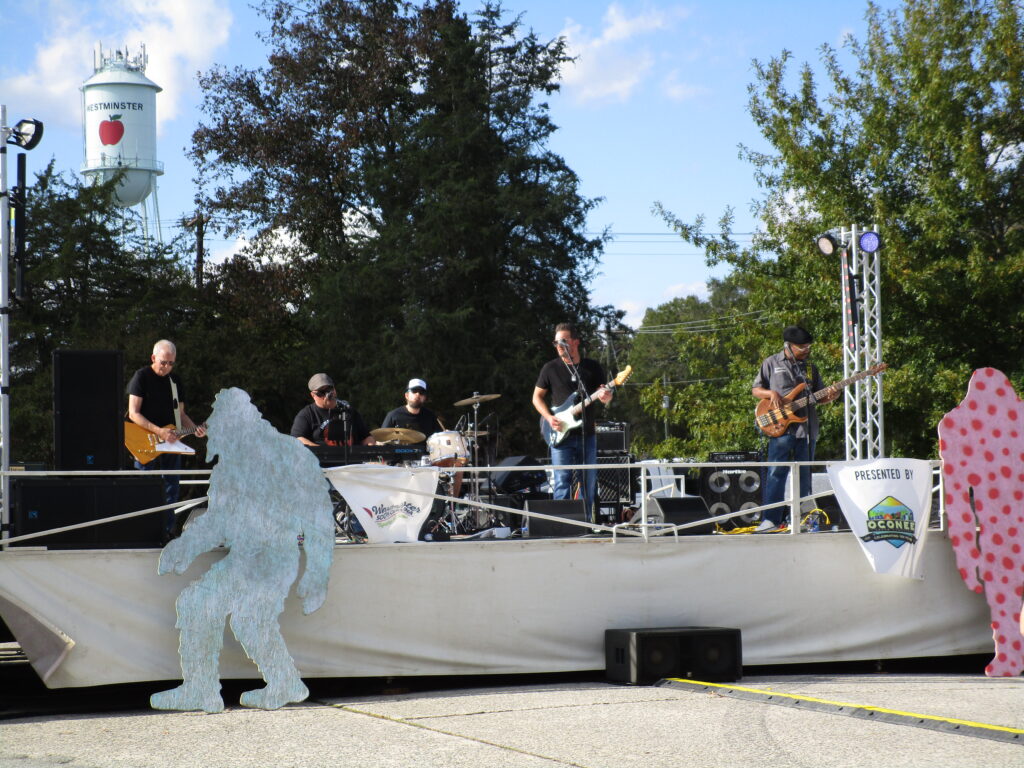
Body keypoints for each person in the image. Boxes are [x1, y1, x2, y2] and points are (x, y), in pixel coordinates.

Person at [751, 326, 838, 532]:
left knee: (804, 475)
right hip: (779, 427)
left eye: (808, 346)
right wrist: (770, 393)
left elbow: (819, 396)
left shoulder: (810, 368)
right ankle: (770, 519)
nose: (806, 350)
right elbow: (756, 389)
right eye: (801, 347)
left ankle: (801, 518)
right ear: (788, 347)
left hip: (806, 429)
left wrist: (832, 395)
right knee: (776, 473)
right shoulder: (771, 363)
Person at [532, 322, 613, 523]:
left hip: (587, 434)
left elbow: (605, 395)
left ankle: (585, 523)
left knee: (588, 482)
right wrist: (549, 418)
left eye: (564, 341)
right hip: (560, 435)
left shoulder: (591, 367)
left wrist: (606, 396)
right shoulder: (550, 368)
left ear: (575, 342)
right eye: (556, 342)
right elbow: (536, 397)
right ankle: (562, 524)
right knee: (562, 481)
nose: (559, 345)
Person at [127, 339, 206, 539]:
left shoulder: (175, 381)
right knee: (146, 486)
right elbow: (133, 413)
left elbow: (181, 415)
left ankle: (167, 532)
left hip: (171, 440)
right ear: (153, 358)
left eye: (171, 363)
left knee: (172, 486)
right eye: (163, 362)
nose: (166, 367)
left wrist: (195, 428)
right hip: (145, 440)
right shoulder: (141, 376)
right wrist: (159, 431)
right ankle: (143, 532)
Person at [290, 373, 375, 447]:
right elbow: (297, 439)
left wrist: (371, 453)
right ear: (313, 395)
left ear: (334, 390)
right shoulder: (306, 415)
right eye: (321, 393)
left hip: (352, 463)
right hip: (323, 463)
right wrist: (321, 451)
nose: (327, 395)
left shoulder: (349, 410)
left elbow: (366, 437)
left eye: (329, 390)